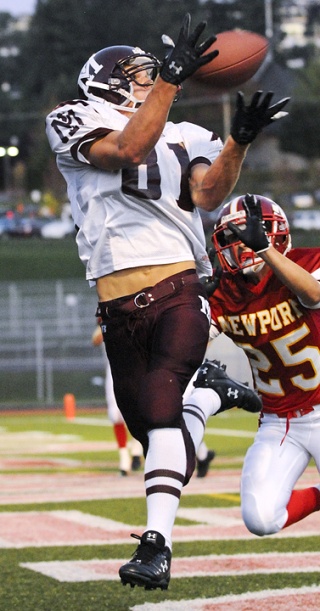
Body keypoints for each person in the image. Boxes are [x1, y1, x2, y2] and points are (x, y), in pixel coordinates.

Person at [45, 12, 289, 590]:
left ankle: (157, 545)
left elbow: (208, 193)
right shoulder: (73, 118)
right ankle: (206, 395)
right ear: (102, 79)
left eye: (150, 72)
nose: (148, 77)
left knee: (158, 415)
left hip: (180, 287)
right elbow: (126, 151)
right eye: (135, 72)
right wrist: (171, 82)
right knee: (152, 425)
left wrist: (239, 141)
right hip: (115, 302)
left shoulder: (188, 134)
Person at [185, 193, 320, 539]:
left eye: (249, 236)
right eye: (231, 239)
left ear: (277, 235)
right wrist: (193, 310)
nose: (241, 246)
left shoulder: (308, 261)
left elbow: (314, 295)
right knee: (260, 517)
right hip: (278, 420)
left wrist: (266, 252)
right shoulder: (223, 292)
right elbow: (189, 351)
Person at [92, 323, 143, 475]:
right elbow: (95, 340)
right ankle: (124, 458)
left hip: (135, 369)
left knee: (136, 411)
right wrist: (107, 325)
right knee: (115, 414)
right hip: (114, 370)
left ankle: (137, 449)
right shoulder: (108, 322)